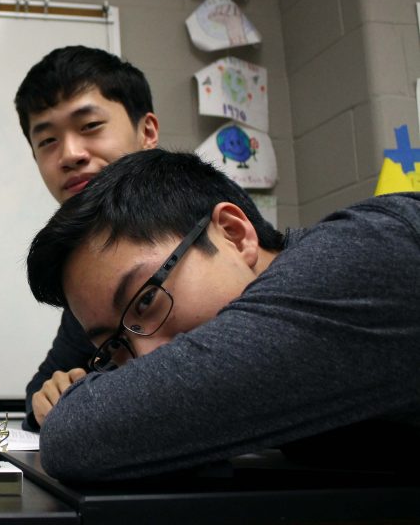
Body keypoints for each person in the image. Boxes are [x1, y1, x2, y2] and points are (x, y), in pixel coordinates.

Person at [26, 149, 420, 481]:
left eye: (146, 300)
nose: (145, 357)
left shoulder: (365, 257)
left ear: (234, 234)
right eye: (117, 346)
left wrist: (79, 408)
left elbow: (78, 437)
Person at [13, 46, 159, 430]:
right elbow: (39, 390)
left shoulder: (204, 227)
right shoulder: (92, 265)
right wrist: (52, 395)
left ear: (147, 131)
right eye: (47, 141)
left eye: (90, 126)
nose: (70, 154)